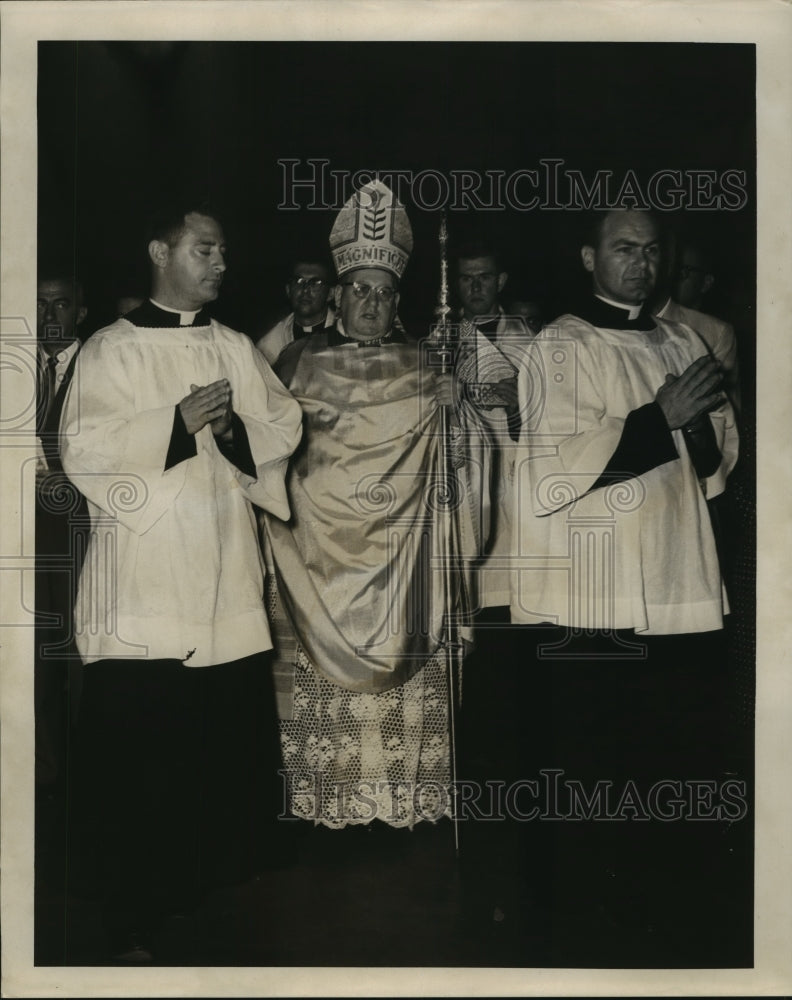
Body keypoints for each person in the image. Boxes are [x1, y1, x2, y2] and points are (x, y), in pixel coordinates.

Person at [60, 203, 303, 963]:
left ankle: (206, 895)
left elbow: (284, 428)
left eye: (225, 250)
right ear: (160, 251)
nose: (222, 262)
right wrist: (176, 422)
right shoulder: (109, 349)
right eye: (206, 249)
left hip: (222, 576)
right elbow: (84, 450)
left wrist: (232, 435)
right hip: (145, 584)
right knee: (142, 758)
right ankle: (130, 908)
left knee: (212, 752)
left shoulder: (235, 347)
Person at [507, 208, 739, 941]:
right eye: (623, 248)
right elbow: (551, 469)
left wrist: (695, 429)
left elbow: (714, 466)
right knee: (592, 754)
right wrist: (659, 416)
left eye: (650, 250)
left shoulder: (684, 337)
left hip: (671, 568)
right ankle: (575, 913)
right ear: (587, 256)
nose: (641, 263)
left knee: (665, 745)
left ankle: (654, 900)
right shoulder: (560, 344)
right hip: (594, 580)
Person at [263, 180, 469, 830]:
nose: (372, 304)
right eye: (361, 290)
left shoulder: (423, 363)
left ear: (397, 299)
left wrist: (454, 415)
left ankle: (399, 801)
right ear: (337, 295)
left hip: (401, 562)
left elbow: (459, 464)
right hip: (320, 558)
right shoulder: (298, 361)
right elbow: (273, 456)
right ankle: (332, 800)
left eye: (383, 292)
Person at [35, 271, 88, 789]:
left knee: (78, 644)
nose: (51, 317)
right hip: (26, 536)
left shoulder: (98, 367)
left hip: (82, 530)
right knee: (35, 647)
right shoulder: (18, 368)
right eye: (42, 306)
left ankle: (83, 771)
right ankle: (44, 772)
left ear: (81, 313)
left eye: (61, 305)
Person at [255, 254, 336, 365]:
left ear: (331, 293)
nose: (305, 290)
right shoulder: (268, 347)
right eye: (299, 281)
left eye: (315, 283)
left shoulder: (347, 333)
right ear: (288, 290)